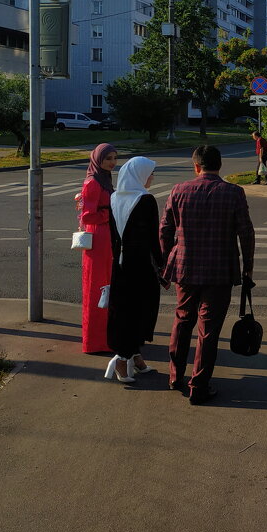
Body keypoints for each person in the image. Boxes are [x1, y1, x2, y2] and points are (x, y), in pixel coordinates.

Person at [159, 145, 255, 405]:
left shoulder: (178, 190)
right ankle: (199, 386)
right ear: (220, 166)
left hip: (185, 269)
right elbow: (245, 232)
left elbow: (165, 230)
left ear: (196, 166)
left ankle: (175, 376)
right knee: (208, 331)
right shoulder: (234, 192)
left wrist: (169, 260)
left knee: (182, 320)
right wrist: (248, 266)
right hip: (219, 271)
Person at [104, 156, 162, 384]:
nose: (152, 177)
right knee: (141, 311)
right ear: (140, 176)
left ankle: (134, 356)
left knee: (124, 311)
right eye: (150, 173)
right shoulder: (146, 200)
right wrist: (162, 265)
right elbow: (152, 239)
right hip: (141, 268)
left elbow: (113, 238)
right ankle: (122, 359)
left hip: (120, 266)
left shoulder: (114, 198)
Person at [76, 143, 118, 354]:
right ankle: (94, 341)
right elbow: (87, 216)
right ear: (97, 159)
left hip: (106, 238)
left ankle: (105, 337)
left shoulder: (104, 179)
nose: (112, 162)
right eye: (107, 158)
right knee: (98, 288)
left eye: (114, 158)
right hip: (98, 238)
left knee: (106, 287)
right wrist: (110, 215)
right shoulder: (93, 182)